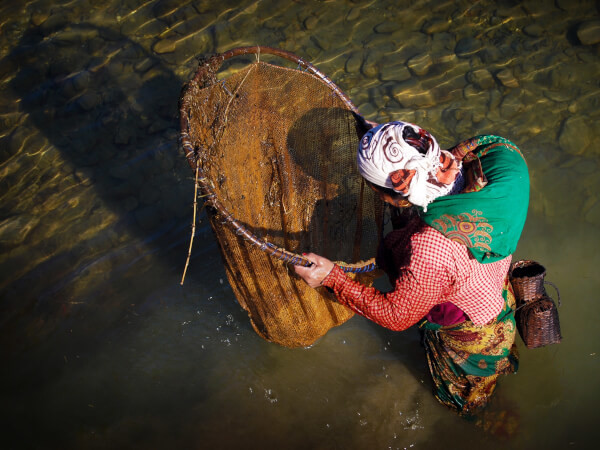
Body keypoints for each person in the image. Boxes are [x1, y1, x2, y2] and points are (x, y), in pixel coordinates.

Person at [294, 121, 530, 415]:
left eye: (374, 188)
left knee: (469, 402)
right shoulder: (500, 156)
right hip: (495, 293)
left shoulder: (428, 248)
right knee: (493, 376)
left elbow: (397, 316)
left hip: (471, 336)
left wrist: (333, 278)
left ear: (393, 192)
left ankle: (483, 421)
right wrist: (388, 141)